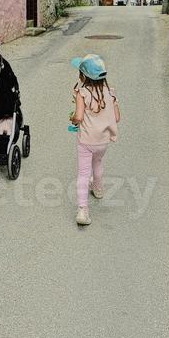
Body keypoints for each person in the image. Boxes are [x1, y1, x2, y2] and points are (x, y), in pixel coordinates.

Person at [70, 54, 120, 228]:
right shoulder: (110, 93)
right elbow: (117, 117)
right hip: (102, 141)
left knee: (83, 174)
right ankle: (98, 190)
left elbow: (78, 116)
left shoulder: (82, 93)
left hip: (85, 140)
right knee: (97, 163)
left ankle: (83, 210)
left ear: (83, 76)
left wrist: (73, 120)